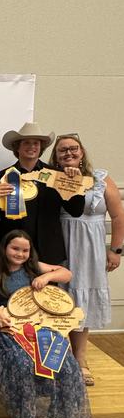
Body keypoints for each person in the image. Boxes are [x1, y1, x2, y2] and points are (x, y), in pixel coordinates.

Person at [0, 230, 91, 418]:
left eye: (24, 250)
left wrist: (47, 277)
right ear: (4, 248)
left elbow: (66, 273)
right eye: (15, 248)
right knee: (22, 366)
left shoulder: (34, 268)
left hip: (44, 329)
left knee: (67, 365)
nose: (20, 253)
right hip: (11, 332)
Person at [50, 134, 124, 386]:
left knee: (85, 301)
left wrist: (116, 250)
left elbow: (117, 216)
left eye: (73, 148)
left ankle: (80, 359)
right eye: (62, 150)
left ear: (82, 152)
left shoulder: (101, 179)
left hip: (92, 248)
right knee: (62, 298)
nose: (68, 153)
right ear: (55, 156)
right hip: (62, 245)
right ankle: (61, 358)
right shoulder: (51, 179)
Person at [0, 122, 85, 263]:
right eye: (26, 143)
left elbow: (76, 211)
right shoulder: (4, 175)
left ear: (41, 148)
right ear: (17, 147)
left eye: (36, 143)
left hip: (47, 250)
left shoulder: (56, 175)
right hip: (13, 250)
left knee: (47, 286)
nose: (32, 147)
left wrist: (77, 184)